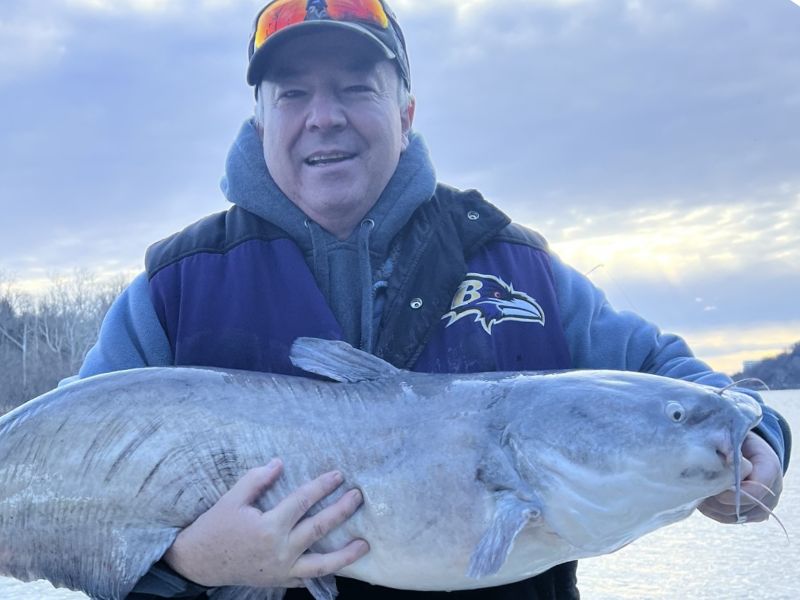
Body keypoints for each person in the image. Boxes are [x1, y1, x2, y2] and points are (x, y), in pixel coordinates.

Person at [77, 1, 791, 598]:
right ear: (261, 120)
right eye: (293, 93)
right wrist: (185, 565)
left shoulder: (518, 263)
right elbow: (66, 485)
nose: (324, 116)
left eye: (358, 87)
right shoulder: (177, 286)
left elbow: (685, 386)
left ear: (406, 111)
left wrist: (759, 445)